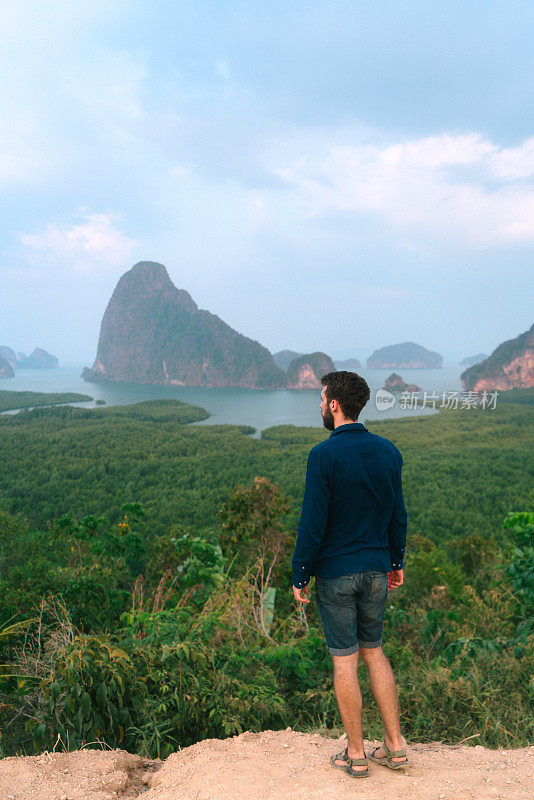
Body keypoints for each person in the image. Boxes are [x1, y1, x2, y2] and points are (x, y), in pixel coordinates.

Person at [292, 370, 409, 778]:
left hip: (337, 575)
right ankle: (395, 747)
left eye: (322, 399)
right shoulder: (388, 451)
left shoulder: (323, 455)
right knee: (374, 651)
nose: (319, 406)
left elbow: (313, 523)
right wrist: (395, 563)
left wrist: (300, 573)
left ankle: (356, 754)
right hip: (376, 571)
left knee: (345, 662)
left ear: (335, 405)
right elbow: (398, 515)